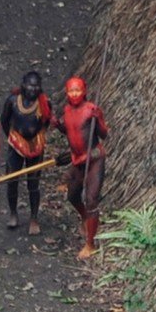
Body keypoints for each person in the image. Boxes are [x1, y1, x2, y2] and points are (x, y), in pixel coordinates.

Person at [55, 75, 108, 259]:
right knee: (72, 195)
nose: (74, 94)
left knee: (91, 199)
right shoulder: (67, 110)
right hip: (77, 159)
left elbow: (104, 134)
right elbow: (67, 129)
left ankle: (90, 244)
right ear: (67, 93)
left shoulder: (90, 109)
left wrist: (98, 119)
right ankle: (86, 217)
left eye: (77, 90)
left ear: (84, 91)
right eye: (71, 91)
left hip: (94, 158)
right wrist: (56, 123)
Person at [0, 70, 52, 235]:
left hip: (35, 145)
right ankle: (13, 213)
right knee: (12, 179)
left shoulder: (44, 103)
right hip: (16, 144)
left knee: (33, 183)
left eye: (36, 86)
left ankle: (34, 218)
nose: (33, 89)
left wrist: (37, 137)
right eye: (30, 85)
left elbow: (47, 121)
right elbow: (4, 120)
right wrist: (13, 138)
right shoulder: (13, 101)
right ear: (23, 85)